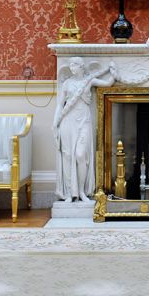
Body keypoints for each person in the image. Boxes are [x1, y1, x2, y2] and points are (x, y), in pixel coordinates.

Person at [53, 58, 117, 202]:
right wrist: (54, 122)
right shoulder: (66, 83)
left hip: (84, 121)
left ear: (81, 66)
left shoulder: (89, 81)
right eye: (70, 65)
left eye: (74, 65)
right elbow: (59, 105)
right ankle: (70, 193)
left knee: (81, 155)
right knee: (68, 157)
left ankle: (82, 191)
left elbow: (108, 83)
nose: (71, 67)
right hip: (67, 121)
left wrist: (113, 70)